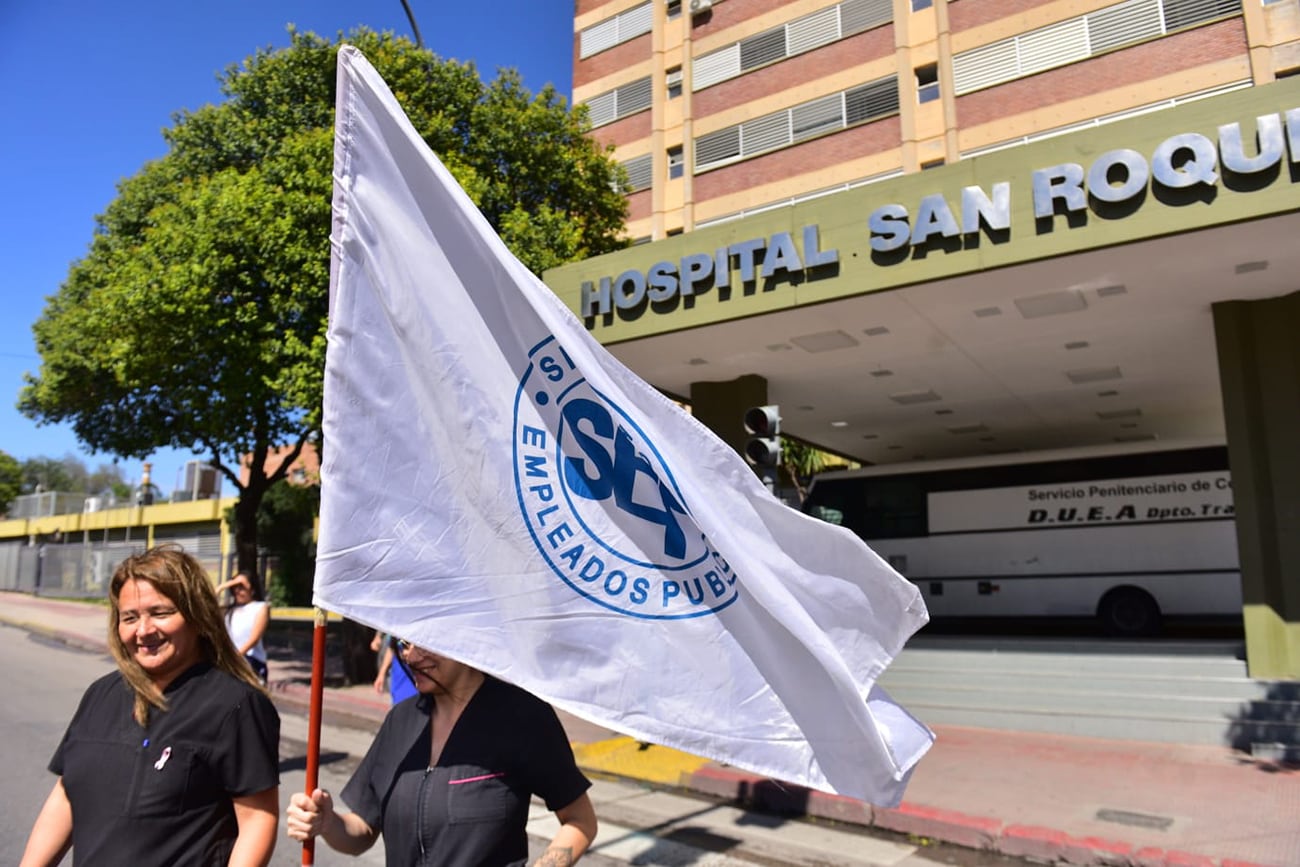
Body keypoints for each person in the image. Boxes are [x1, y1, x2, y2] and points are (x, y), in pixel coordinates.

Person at [20, 545, 281, 867]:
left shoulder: (236, 705)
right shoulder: (100, 695)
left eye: (161, 613)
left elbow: (257, 820)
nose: (143, 631)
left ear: (197, 616)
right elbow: (66, 794)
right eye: (130, 617)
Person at [286, 641, 596, 867]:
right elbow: (363, 830)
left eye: (425, 642)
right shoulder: (401, 720)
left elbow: (581, 822)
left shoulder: (523, 716)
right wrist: (327, 823)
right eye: (405, 643)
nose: (411, 656)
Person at [217, 572, 271, 686]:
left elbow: (254, 639)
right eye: (234, 587)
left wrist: (234, 658)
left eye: (241, 587)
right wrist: (223, 586)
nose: (237, 591)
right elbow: (206, 605)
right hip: (232, 662)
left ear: (252, 589)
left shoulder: (260, 607)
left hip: (251, 661)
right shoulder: (228, 610)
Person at [371, 631, 417, 704]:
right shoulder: (397, 627)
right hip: (399, 677)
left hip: (416, 678)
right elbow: (391, 648)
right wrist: (381, 674)